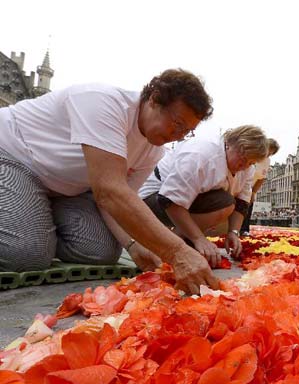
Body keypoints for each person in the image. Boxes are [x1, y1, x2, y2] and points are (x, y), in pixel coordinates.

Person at [0, 69, 219, 293]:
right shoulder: (104, 103)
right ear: (154, 99)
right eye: (178, 124)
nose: (179, 136)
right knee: (26, 254)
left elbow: (118, 202)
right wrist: (177, 252)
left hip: (68, 188)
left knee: (100, 251)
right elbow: (109, 192)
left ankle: (29, 218)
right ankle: (24, 224)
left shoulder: (153, 151)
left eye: (188, 132)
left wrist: (134, 246)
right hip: (15, 155)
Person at [139, 125, 267, 267]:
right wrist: (199, 238)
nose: (244, 165)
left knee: (227, 206)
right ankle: (171, 244)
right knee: (225, 204)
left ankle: (184, 238)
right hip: (152, 198)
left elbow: (242, 202)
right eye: (243, 158)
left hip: (188, 200)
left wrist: (233, 232)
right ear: (229, 145)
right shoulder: (202, 154)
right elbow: (169, 199)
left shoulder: (247, 168)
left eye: (251, 162)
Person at [240, 138, 280, 236]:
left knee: (248, 208)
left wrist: (253, 192)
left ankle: (244, 229)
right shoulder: (253, 153)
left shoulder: (267, 161)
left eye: (271, 153)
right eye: (267, 151)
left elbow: (261, 178)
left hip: (250, 186)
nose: (267, 155)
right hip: (240, 183)